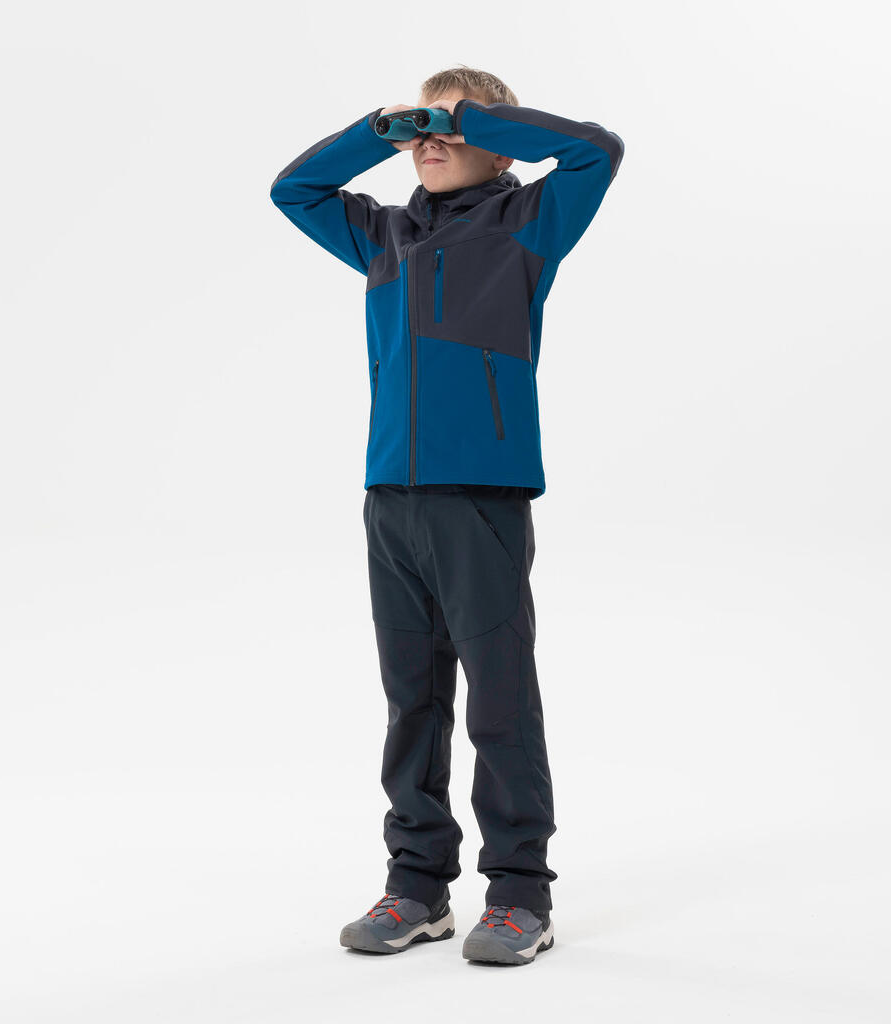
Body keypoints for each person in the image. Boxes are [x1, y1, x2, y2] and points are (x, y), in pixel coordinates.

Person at [269, 65, 623, 966]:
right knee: (412, 703)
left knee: (499, 701)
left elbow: (598, 152)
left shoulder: (529, 223)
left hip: (481, 496)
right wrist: (377, 127)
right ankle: (418, 886)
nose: (431, 140)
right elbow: (293, 189)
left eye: (452, 127)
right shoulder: (383, 236)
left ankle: (519, 895)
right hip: (391, 498)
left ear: (498, 144)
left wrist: (481, 119)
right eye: (420, 129)